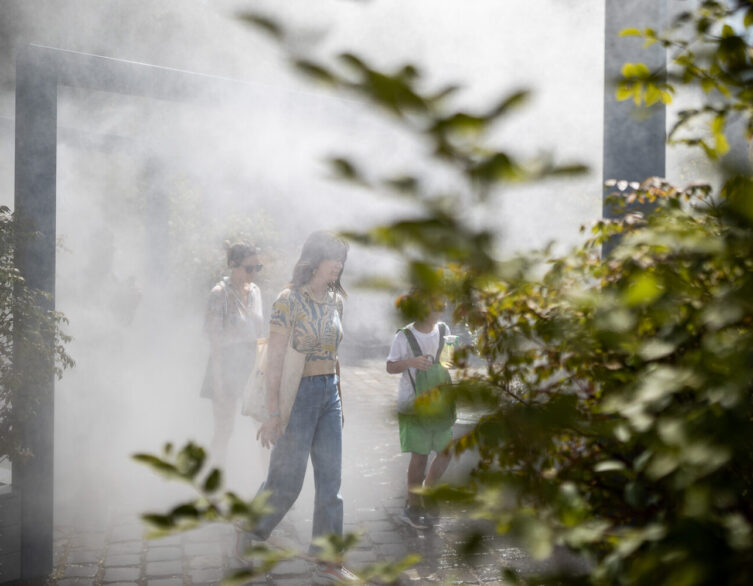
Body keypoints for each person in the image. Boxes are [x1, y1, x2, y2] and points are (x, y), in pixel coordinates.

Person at [251, 231, 358, 585]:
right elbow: (275, 363)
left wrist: (337, 400)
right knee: (286, 482)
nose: (340, 265)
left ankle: (328, 558)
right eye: (334, 258)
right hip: (296, 397)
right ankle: (250, 530)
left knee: (331, 481)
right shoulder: (288, 301)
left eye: (343, 259)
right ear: (315, 259)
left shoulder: (336, 300)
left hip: (328, 393)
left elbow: (335, 355)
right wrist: (272, 413)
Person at [386, 290, 455, 530]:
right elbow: (390, 366)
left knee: (446, 452)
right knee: (420, 456)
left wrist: (449, 361)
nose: (441, 310)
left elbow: (446, 362)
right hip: (413, 405)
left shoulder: (444, 331)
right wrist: (412, 363)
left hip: (439, 403)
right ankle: (412, 508)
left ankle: (426, 493)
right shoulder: (405, 336)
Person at [201, 241, 264, 467]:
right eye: (249, 268)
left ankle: (270, 486)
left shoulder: (256, 292)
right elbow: (215, 342)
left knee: (263, 426)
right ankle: (212, 487)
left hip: (250, 362)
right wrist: (217, 380)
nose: (254, 273)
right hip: (226, 362)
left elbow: (259, 333)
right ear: (233, 265)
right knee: (224, 431)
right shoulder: (219, 293)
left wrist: (262, 368)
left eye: (258, 268)